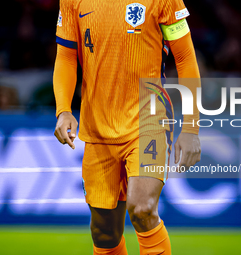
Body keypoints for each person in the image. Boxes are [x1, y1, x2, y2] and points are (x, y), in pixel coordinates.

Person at [53, 0, 201, 254]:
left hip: (149, 119)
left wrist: (191, 128)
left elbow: (185, 58)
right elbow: (66, 55)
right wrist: (63, 109)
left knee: (142, 208)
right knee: (104, 232)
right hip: (98, 127)